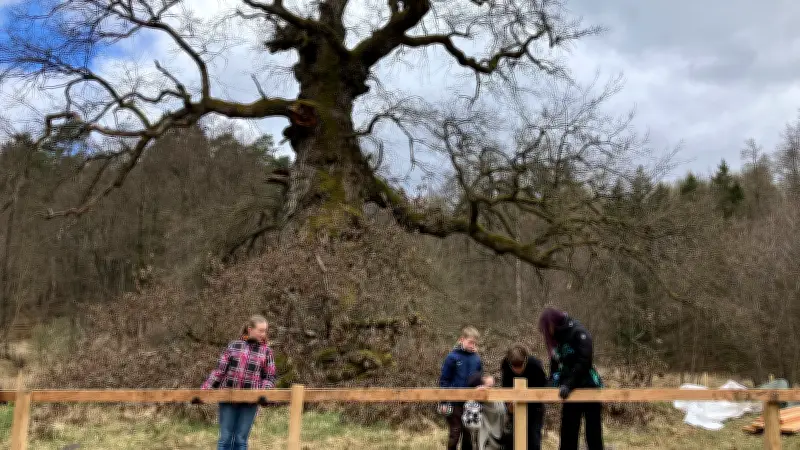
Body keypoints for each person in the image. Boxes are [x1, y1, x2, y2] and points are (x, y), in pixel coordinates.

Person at [201, 315, 277, 450]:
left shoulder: (267, 352)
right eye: (260, 330)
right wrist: (205, 389)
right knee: (225, 439)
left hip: (250, 401)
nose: (263, 334)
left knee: (240, 440)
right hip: (228, 397)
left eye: (265, 331)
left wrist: (263, 391)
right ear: (250, 329)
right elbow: (220, 371)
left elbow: (270, 376)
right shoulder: (234, 346)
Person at [538, 308, 604, 450]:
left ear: (552, 324)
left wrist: (569, 384)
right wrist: (551, 384)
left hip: (588, 386)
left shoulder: (579, 332)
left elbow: (584, 361)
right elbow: (555, 365)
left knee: (593, 433)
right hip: (569, 389)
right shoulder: (556, 340)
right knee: (568, 432)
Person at [439, 325, 483, 450]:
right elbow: (444, 380)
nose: (472, 345)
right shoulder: (452, 357)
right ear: (461, 340)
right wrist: (444, 401)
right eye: (470, 342)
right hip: (453, 402)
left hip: (471, 403)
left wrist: (481, 388)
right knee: (455, 431)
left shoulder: (476, 359)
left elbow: (479, 378)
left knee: (468, 433)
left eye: (474, 343)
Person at [500, 344, 547, 450]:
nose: (518, 370)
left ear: (525, 360)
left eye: (520, 365)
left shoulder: (535, 365)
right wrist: (508, 405)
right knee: (512, 440)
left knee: (533, 440)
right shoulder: (505, 365)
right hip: (514, 407)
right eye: (514, 367)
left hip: (535, 408)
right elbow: (505, 387)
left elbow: (544, 387)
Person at [462, 373, 506, 450]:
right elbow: (472, 425)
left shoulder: (498, 400)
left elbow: (502, 412)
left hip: (497, 442)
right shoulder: (471, 404)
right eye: (489, 387)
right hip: (482, 443)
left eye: (492, 387)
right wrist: (474, 400)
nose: (492, 390)